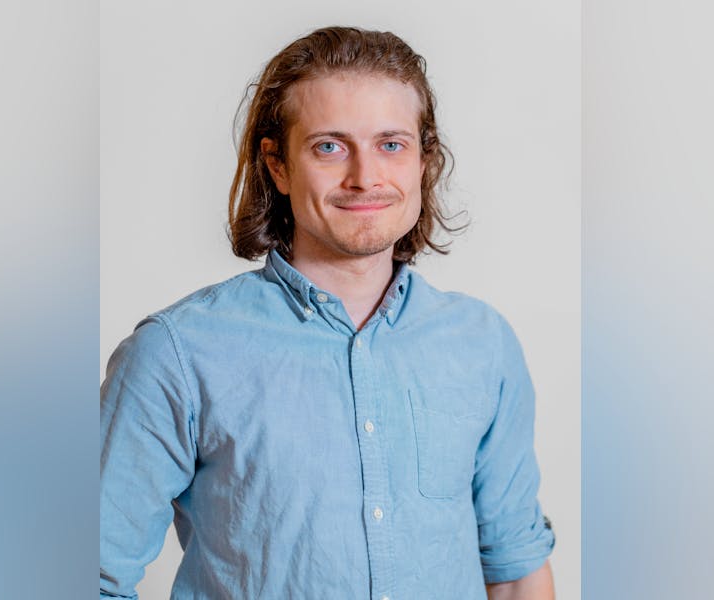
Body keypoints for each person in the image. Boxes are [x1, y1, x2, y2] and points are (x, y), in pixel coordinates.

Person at [100, 26, 555, 600]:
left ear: (423, 162)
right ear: (278, 166)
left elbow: (514, 570)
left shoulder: (483, 345)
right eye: (329, 146)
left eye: (391, 144)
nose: (365, 176)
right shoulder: (176, 353)